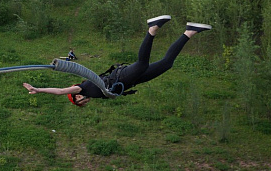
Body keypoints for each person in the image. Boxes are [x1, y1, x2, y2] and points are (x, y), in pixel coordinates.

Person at [23, 15, 212, 107]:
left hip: (123, 76)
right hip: (132, 80)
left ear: (77, 97)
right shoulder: (94, 93)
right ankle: (190, 31)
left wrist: (38, 89)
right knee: (166, 64)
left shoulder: (82, 88)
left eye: (80, 103)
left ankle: (152, 29)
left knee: (143, 64)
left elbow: (61, 91)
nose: (84, 104)